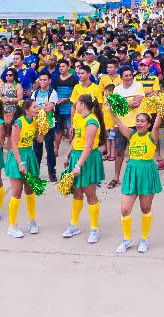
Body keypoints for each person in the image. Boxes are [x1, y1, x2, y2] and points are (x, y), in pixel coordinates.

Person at [110, 104, 164, 253]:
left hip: (147, 172)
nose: (139, 123)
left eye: (142, 121)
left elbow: (158, 120)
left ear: (148, 124)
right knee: (125, 209)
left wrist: (161, 104)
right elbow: (119, 122)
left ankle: (144, 239)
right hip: (132, 172)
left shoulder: (152, 135)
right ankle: (127, 239)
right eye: (137, 120)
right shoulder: (131, 134)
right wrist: (110, 110)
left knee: (145, 208)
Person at [62, 93, 105, 244]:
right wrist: (68, 155)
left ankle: (94, 229)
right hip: (76, 156)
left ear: (83, 105)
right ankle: (74, 225)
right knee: (77, 192)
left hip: (88, 159)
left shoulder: (92, 121)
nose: (75, 106)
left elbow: (88, 147)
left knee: (90, 194)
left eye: (77, 103)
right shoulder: (79, 118)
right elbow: (76, 138)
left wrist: (78, 165)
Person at [2, 98, 42, 238]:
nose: (37, 109)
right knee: (17, 192)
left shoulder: (36, 121)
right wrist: (20, 163)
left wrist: (43, 129)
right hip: (18, 157)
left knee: (30, 191)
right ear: (26, 110)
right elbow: (13, 145)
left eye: (37, 106)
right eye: (35, 107)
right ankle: (12, 226)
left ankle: (32, 221)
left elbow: (39, 140)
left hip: (29, 156)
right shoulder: (18, 123)